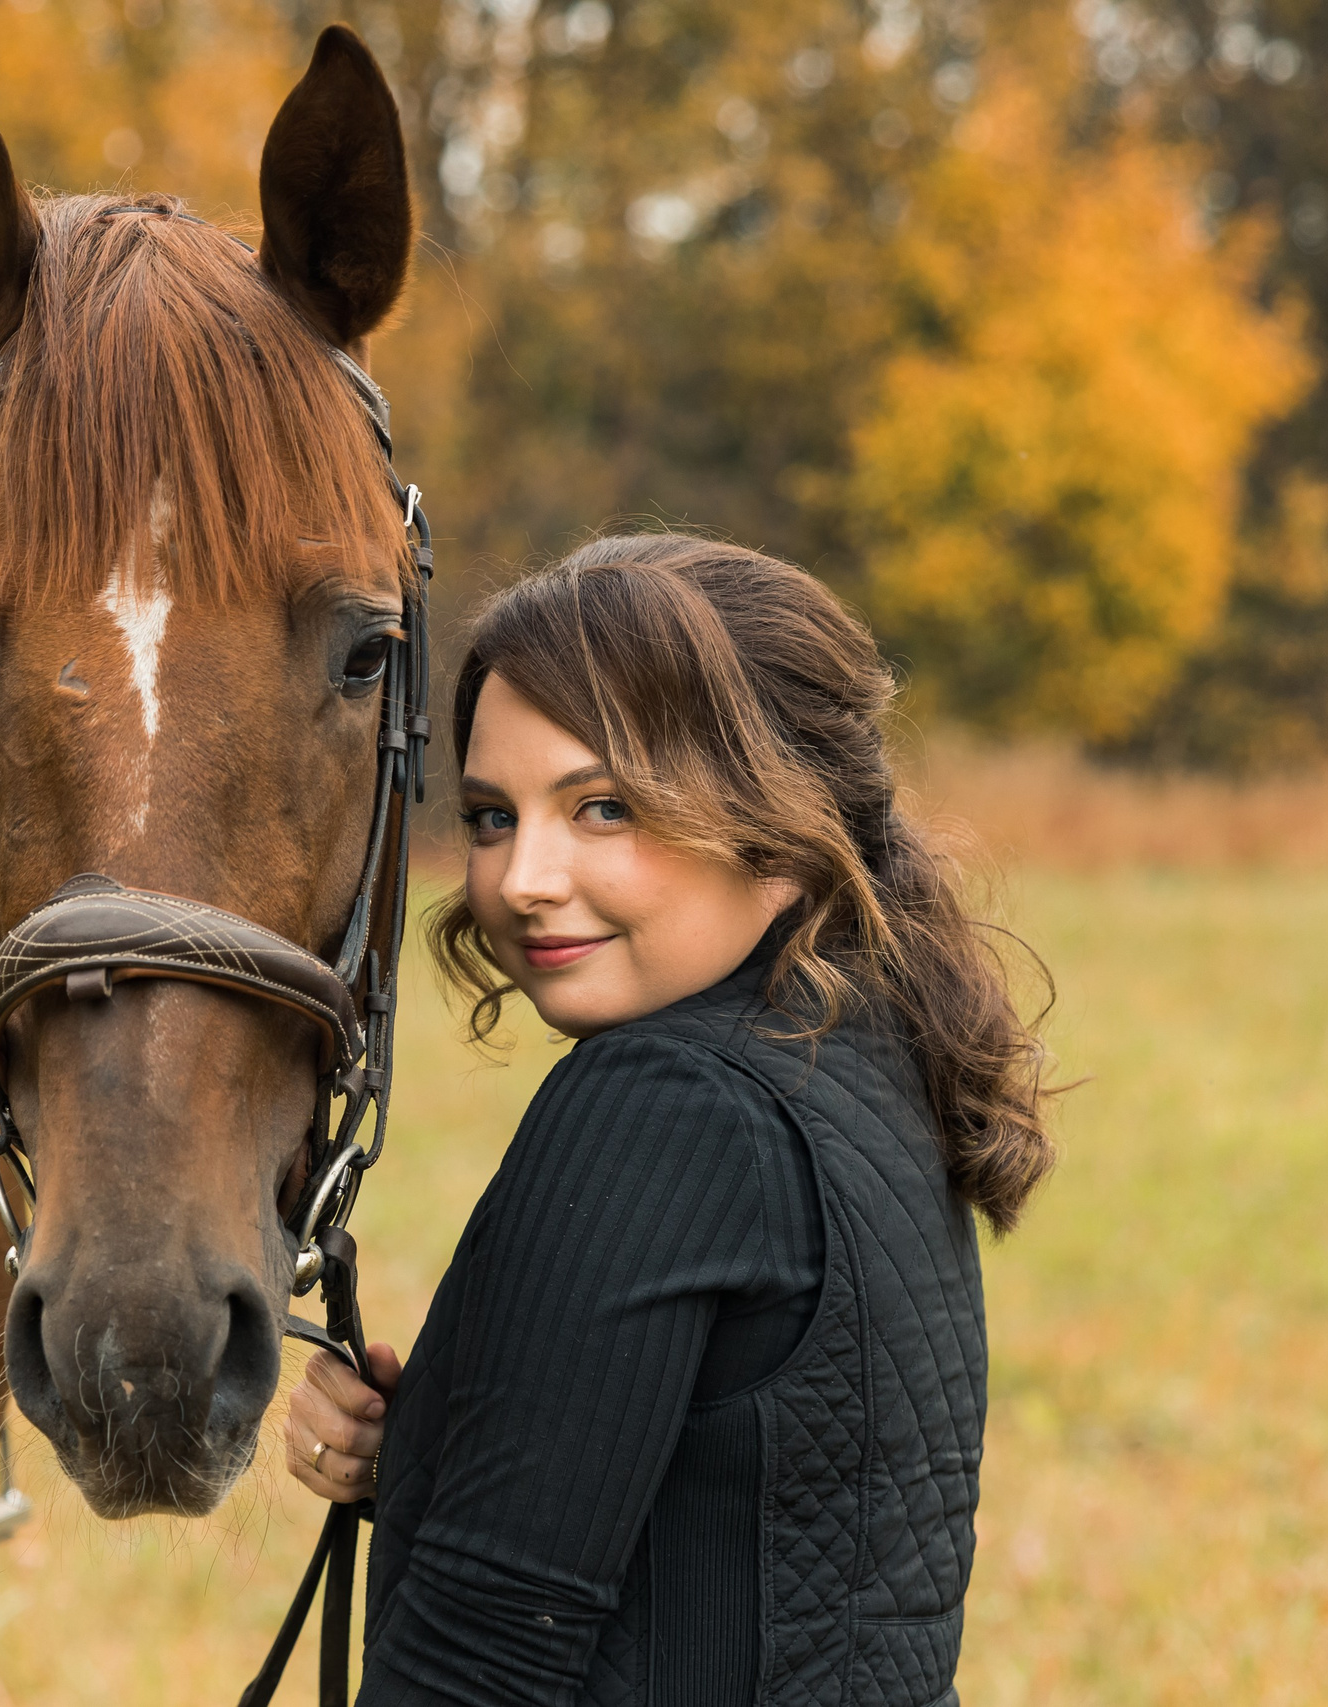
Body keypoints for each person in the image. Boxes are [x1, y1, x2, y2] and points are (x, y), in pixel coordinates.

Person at [285, 533, 1055, 1706]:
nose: (522, 879)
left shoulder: (665, 1104)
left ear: (779, 826)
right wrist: (441, 1450)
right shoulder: (856, 1052)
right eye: (491, 817)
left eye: (600, 808)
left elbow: (476, 1663)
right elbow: (773, 1508)